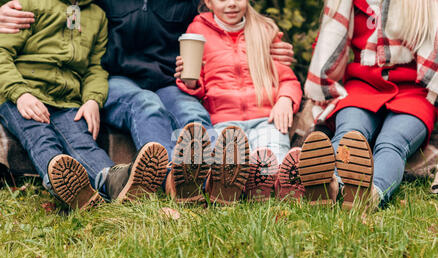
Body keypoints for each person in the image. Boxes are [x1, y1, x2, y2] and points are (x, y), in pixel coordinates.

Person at [0, 0, 297, 204]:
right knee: (146, 105)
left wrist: (268, 46)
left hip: (169, 79)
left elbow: (223, 20)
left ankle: (210, 177)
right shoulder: (96, 6)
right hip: (117, 79)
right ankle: (169, 178)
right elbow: (66, 11)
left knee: (192, 112)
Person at [0, 0, 169, 210]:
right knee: (40, 136)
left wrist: (92, 100)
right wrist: (20, 93)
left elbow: (95, 68)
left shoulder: (96, 15)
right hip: (23, 94)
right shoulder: (30, 4)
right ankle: (66, 187)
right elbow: (2, 52)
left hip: (68, 99)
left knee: (82, 142)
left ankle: (116, 182)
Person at [300, 0, 438, 209]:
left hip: (414, 91)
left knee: (392, 142)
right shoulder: (350, 3)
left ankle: (371, 193)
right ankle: (328, 186)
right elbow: (329, 44)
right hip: (363, 85)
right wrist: (323, 84)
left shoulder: (425, 4)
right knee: (349, 132)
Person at [175, 0, 304, 203]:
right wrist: (189, 80)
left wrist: (286, 99)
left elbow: (287, 79)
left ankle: (282, 181)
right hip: (224, 122)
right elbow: (197, 83)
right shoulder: (198, 30)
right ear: (208, 2)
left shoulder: (263, 30)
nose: (232, 4)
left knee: (273, 153)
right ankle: (249, 184)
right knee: (229, 162)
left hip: (266, 118)